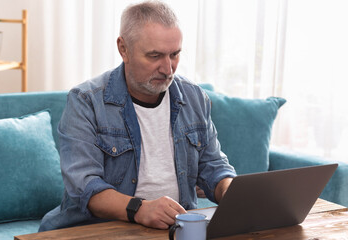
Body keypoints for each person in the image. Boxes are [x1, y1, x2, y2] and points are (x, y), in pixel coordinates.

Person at [39, 0, 236, 232]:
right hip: (99, 229)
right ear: (124, 49)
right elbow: (85, 187)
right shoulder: (86, 101)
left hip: (176, 229)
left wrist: (231, 191)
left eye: (174, 54)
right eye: (154, 56)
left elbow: (213, 166)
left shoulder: (194, 98)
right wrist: (140, 209)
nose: (168, 69)